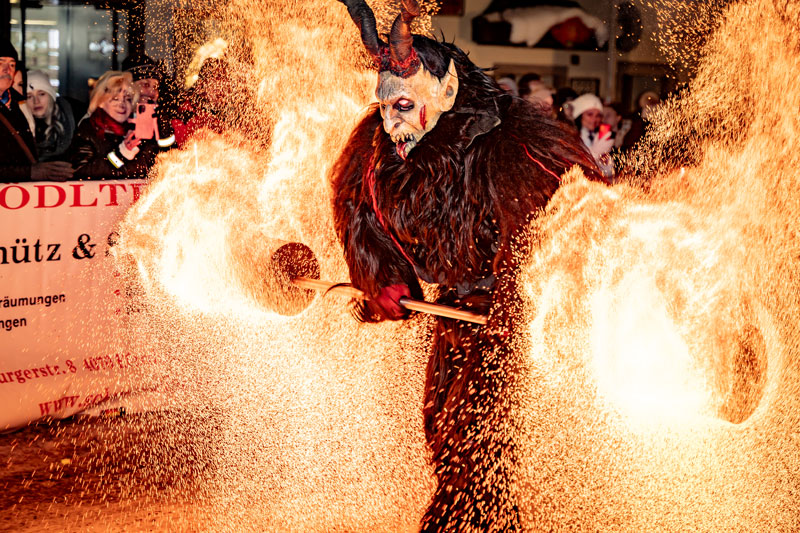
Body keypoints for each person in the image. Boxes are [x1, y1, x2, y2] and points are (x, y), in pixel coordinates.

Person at [333, 1, 603, 530]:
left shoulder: (512, 145)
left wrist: (516, 306)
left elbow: (552, 230)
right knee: (441, 425)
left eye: (406, 105)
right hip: (454, 307)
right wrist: (382, 277)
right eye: (386, 105)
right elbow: (356, 213)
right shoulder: (376, 148)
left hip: (509, 308)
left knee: (474, 434)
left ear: (447, 94)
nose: (393, 121)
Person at [0, 40, 73, 183]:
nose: (7, 69)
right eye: (1, 63)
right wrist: (30, 172)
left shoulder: (17, 105)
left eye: (12, 64)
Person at [66, 70, 156, 180]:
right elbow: (80, 171)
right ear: (100, 101)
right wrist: (120, 155)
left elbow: (149, 168)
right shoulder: (88, 130)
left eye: (128, 99)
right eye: (115, 98)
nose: (122, 104)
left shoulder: (133, 131)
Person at [171, 58, 232, 148]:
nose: (224, 91)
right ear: (201, 85)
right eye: (218, 84)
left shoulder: (230, 116)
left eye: (227, 84)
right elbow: (185, 150)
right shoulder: (186, 115)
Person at [123, 53, 176, 151]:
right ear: (128, 87)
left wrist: (164, 128)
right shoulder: (109, 119)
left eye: (156, 87)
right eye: (145, 85)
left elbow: (171, 155)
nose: (153, 93)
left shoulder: (159, 117)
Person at [26, 70, 77, 162]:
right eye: (29, 96)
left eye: (41, 94)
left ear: (50, 95)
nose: (36, 101)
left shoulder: (72, 111)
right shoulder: (21, 125)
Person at [570, 92, 615, 180]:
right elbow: (575, 166)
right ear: (580, 115)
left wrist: (604, 159)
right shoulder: (570, 136)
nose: (594, 119)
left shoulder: (598, 136)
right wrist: (595, 152)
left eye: (598, 115)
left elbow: (608, 172)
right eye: (589, 114)